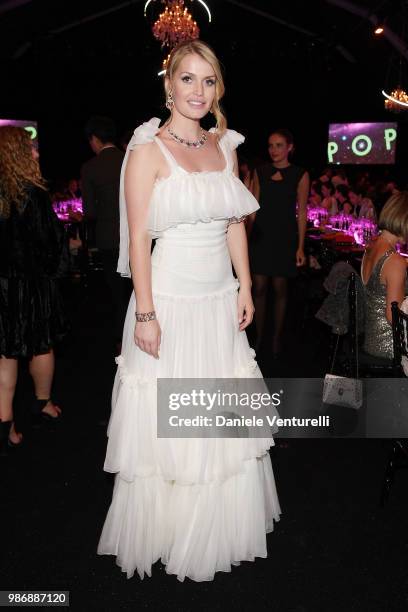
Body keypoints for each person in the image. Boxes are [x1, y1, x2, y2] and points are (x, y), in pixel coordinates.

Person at [97, 40, 281, 582]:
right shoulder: (146, 150)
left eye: (208, 81)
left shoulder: (225, 145)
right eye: (188, 80)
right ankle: (168, 533)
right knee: (167, 430)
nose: (198, 91)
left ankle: (213, 532)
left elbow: (232, 224)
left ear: (216, 88)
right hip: (170, 304)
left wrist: (245, 286)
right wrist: (147, 315)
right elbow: (137, 243)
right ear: (169, 84)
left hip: (219, 300)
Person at [0, 127, 69, 454]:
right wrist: (58, 271)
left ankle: (7, 424)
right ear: (17, 154)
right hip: (32, 287)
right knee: (41, 345)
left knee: (5, 354)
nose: (37, 153)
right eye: (31, 148)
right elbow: (51, 245)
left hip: (1, 288)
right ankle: (43, 403)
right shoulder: (35, 194)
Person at [247, 129, 309, 355]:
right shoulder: (259, 172)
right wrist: (244, 239)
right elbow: (252, 210)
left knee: (280, 288)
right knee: (260, 288)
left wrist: (301, 246)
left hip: (285, 236)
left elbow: (302, 212)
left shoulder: (300, 174)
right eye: (271, 145)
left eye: (279, 145)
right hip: (261, 236)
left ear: (290, 147)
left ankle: (276, 338)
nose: (274, 150)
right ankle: (259, 337)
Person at [81, 116, 127, 348]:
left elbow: (90, 212)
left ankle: (122, 339)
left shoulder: (90, 168)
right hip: (137, 235)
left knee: (116, 292)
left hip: (109, 238)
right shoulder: (130, 159)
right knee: (138, 289)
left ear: (95, 139)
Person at [361, 192, 408, 359]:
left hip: (369, 339)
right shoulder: (395, 262)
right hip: (389, 347)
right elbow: (393, 318)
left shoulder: (371, 246)